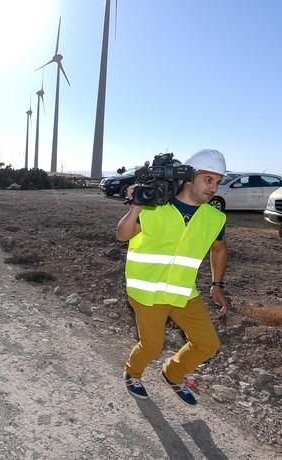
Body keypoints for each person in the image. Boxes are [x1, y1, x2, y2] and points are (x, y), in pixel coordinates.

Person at [116, 149, 229, 406]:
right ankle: (132, 373)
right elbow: (122, 235)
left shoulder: (215, 218)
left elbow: (220, 249)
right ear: (189, 177)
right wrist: (136, 207)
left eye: (218, 182)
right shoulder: (155, 207)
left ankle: (173, 373)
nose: (214, 187)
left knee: (207, 343)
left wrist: (217, 284)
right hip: (147, 293)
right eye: (208, 179)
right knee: (152, 346)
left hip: (183, 292)